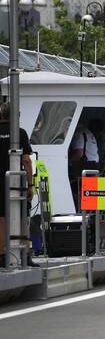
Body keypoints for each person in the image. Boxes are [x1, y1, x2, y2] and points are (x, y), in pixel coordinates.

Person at [0, 103, 34, 264]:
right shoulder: (19, 133)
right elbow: (26, 160)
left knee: (1, 217)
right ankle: (25, 255)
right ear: (16, 116)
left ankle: (2, 256)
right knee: (23, 217)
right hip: (16, 181)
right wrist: (30, 184)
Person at [68, 119, 102, 210]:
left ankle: (80, 215)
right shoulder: (89, 133)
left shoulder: (79, 133)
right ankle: (92, 219)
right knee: (93, 205)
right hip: (94, 168)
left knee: (85, 202)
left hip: (85, 169)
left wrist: (67, 162)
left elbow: (79, 154)